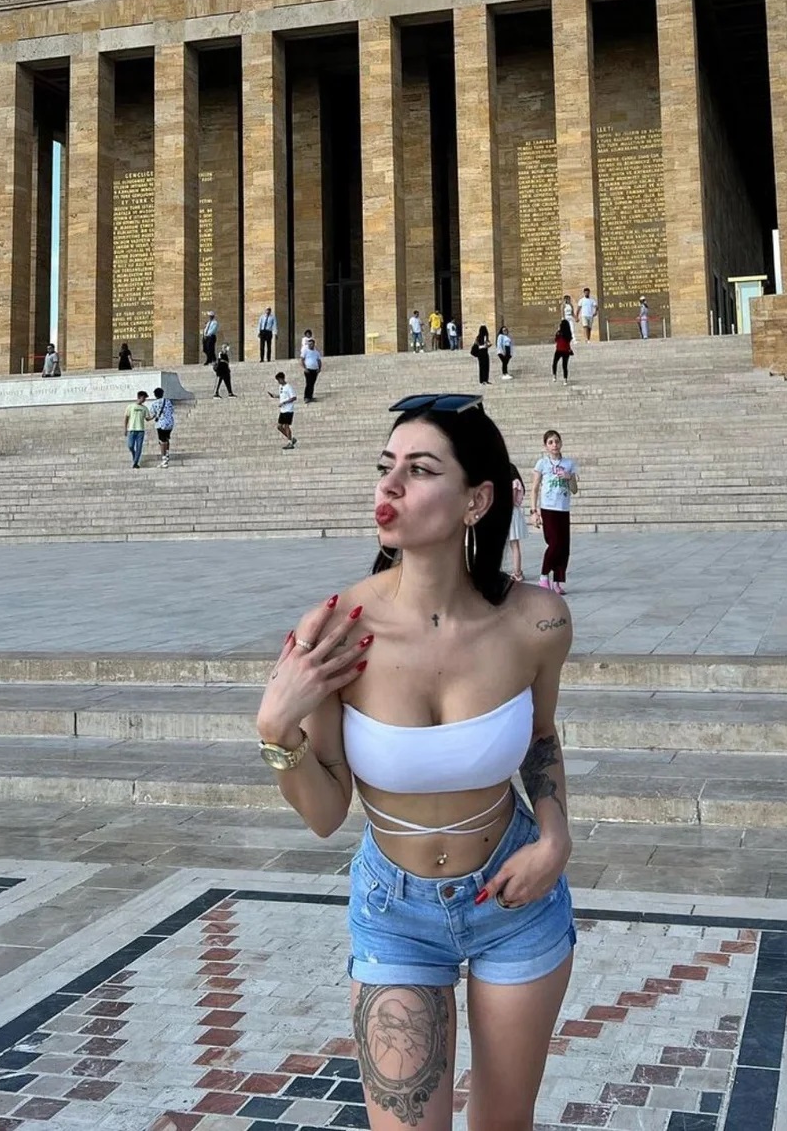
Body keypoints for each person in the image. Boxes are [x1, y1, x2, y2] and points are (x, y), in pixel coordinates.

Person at [255, 392, 575, 1129]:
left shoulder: (538, 620)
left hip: (514, 899)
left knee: (502, 1122)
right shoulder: (338, 630)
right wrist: (278, 728)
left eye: (420, 469)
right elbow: (328, 814)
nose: (389, 487)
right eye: (385, 467)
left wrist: (556, 838)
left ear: (476, 500)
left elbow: (541, 738)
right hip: (394, 911)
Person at [531, 429, 579, 594]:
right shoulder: (542, 464)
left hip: (563, 509)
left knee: (564, 547)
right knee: (555, 543)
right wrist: (534, 511)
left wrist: (569, 477)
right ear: (545, 446)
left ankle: (557, 581)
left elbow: (574, 490)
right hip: (548, 508)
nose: (554, 445)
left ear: (561, 443)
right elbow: (535, 488)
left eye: (557, 441)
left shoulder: (569, 464)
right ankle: (544, 576)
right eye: (550, 442)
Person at [508, 461, 527, 581]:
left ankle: (517, 572)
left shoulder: (513, 483)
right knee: (514, 544)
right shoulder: (515, 482)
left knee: (514, 545)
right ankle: (517, 571)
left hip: (509, 514)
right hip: (512, 513)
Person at [270, 370, 298, 449]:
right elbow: (282, 395)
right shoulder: (281, 387)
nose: (278, 382)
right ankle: (291, 439)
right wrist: (275, 396)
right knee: (279, 426)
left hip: (288, 409)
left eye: (279, 380)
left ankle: (290, 443)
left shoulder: (288, 387)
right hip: (283, 410)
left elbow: (294, 397)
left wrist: (284, 402)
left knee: (286, 426)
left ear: (282, 379)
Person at [149, 386, 175, 468]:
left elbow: (152, 415)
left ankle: (164, 459)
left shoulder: (154, 404)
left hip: (161, 424)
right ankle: (167, 454)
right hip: (170, 423)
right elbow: (172, 410)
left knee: (162, 441)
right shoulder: (168, 401)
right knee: (167, 439)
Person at [123, 391, 150, 469]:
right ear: (139, 397)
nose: (144, 399)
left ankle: (135, 463)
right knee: (130, 446)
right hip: (132, 429)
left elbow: (147, 418)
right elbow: (126, 418)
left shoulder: (144, 408)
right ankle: (135, 457)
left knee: (139, 447)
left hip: (140, 430)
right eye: (144, 398)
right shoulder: (130, 406)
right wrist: (125, 428)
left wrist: (154, 416)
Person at [301, 339, 323, 403]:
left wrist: (319, 368)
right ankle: (306, 397)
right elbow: (302, 360)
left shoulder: (316, 352)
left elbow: (319, 361)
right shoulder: (305, 351)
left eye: (311, 344)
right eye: (309, 344)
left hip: (315, 370)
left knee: (312, 383)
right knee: (308, 383)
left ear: (314, 344)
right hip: (308, 370)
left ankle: (310, 396)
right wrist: (305, 368)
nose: (310, 345)